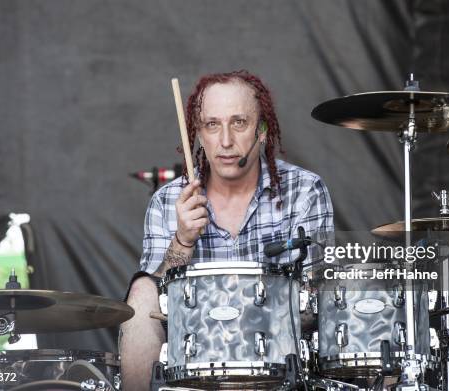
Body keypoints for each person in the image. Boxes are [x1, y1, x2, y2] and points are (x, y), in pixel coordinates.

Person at [119, 70, 334, 391]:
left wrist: (241, 328)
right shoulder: (167, 201)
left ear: (262, 131)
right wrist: (183, 240)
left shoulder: (304, 191)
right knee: (141, 292)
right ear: (198, 134)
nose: (225, 141)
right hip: (195, 361)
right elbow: (156, 306)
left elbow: (319, 298)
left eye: (239, 123)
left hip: (276, 359)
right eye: (212, 125)